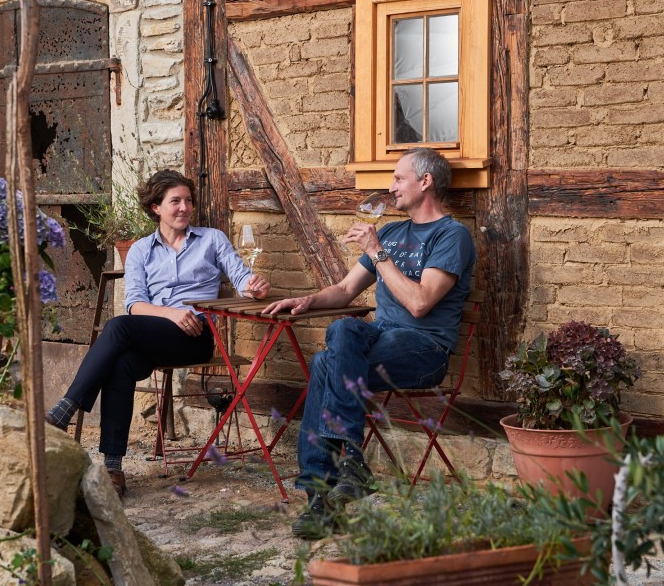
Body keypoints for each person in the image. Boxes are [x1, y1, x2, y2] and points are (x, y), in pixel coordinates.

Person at [262, 147, 475, 539]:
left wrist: (377, 252)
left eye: (398, 178)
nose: (390, 187)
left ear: (425, 182)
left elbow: (419, 302)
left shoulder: (452, 236)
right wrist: (307, 300)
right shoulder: (393, 231)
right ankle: (349, 467)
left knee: (327, 364)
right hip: (378, 340)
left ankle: (320, 498)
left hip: (423, 350)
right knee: (341, 332)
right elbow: (345, 290)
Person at [45, 169, 270, 496]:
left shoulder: (211, 240)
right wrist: (173, 313)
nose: (183, 208)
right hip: (156, 334)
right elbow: (136, 304)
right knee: (120, 365)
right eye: (175, 201)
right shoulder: (140, 250)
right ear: (156, 207)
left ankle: (67, 406)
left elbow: (242, 279)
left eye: (188, 201)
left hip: (195, 338)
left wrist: (255, 287)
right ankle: (113, 467)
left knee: (117, 326)